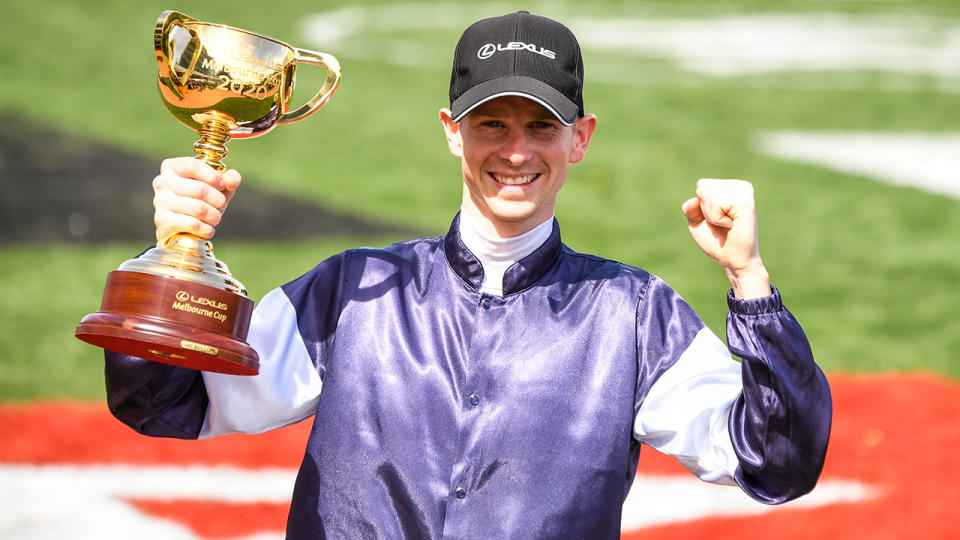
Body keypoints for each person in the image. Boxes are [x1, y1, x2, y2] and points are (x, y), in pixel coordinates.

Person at [105, 11, 832, 538]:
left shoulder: (636, 315)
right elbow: (165, 402)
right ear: (452, 130)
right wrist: (173, 248)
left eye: (540, 125)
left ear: (580, 138)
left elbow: (777, 462)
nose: (515, 151)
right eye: (492, 123)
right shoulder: (353, 291)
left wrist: (751, 283)